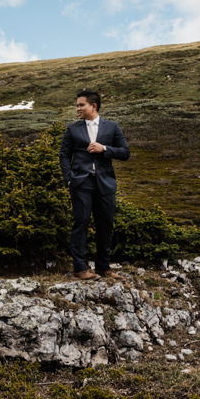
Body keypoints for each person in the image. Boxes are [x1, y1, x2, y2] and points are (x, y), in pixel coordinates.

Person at [59, 90, 130, 280]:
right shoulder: (73, 129)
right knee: (80, 223)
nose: (77, 109)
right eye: (77, 105)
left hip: (105, 183)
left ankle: (103, 268)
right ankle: (80, 269)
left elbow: (125, 152)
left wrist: (104, 148)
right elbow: (64, 156)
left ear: (94, 106)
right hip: (81, 183)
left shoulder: (112, 127)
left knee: (105, 225)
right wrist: (69, 178)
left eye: (81, 105)